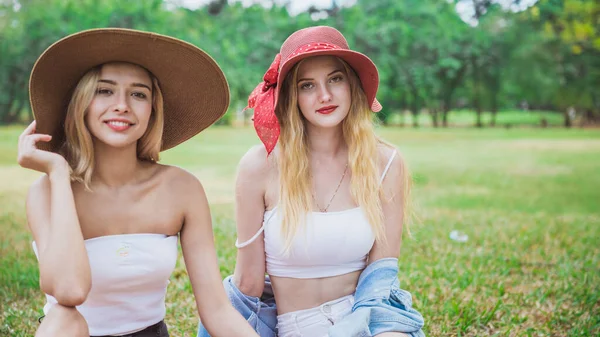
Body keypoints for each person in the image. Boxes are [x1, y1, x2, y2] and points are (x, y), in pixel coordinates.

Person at [17, 28, 260, 337]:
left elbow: (216, 310)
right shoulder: (47, 192)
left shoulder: (181, 189)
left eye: (138, 94)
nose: (122, 105)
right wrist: (59, 172)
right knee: (65, 321)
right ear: (81, 103)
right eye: (104, 91)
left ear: (153, 109)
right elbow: (69, 291)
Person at [198, 26, 425, 337]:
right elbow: (248, 283)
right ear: (292, 96)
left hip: (366, 321)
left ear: (352, 85)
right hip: (295, 327)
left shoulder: (386, 163)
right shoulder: (259, 166)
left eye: (335, 79)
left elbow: (380, 277)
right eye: (308, 85)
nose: (325, 95)